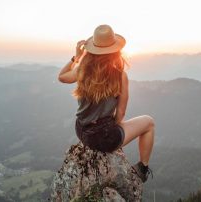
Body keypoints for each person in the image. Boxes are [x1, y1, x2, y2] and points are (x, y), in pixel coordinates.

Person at [58, 24, 155, 183]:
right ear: (116, 50)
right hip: (103, 137)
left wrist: (76, 57)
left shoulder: (83, 68)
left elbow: (62, 77)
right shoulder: (120, 76)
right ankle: (142, 168)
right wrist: (114, 133)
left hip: (81, 130)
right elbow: (121, 112)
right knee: (149, 123)